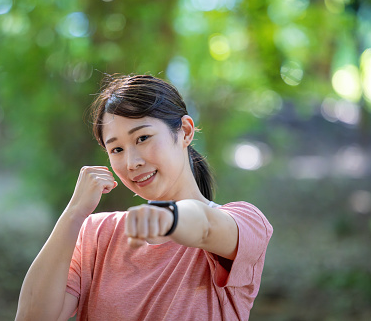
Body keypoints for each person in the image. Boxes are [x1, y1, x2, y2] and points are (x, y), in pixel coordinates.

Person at [15, 74, 273, 321]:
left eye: (143, 138)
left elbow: (205, 226)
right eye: (116, 149)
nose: (131, 162)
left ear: (185, 131)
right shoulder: (97, 234)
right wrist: (73, 215)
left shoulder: (246, 222)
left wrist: (166, 218)